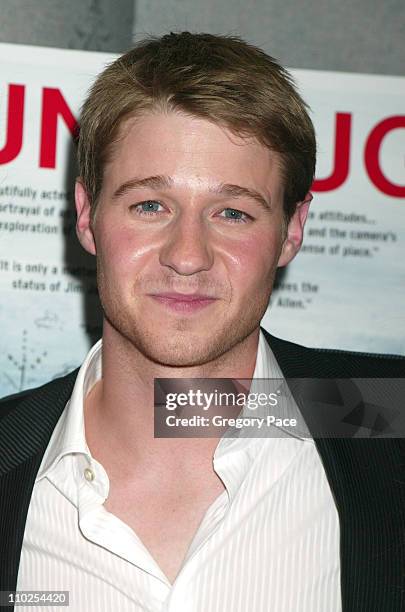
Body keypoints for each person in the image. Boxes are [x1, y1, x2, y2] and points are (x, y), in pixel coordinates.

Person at [0, 32, 404, 612]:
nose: (187, 255)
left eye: (233, 212)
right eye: (150, 206)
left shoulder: (386, 417)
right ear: (87, 215)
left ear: (292, 230)